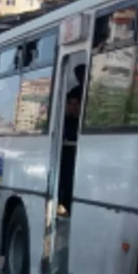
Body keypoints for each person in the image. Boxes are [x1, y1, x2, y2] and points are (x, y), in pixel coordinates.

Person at [58, 87, 82, 217]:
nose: (74, 107)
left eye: (76, 104)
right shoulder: (62, 122)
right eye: (71, 104)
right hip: (63, 162)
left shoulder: (79, 122)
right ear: (66, 105)